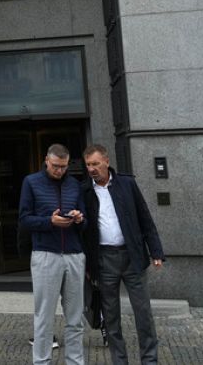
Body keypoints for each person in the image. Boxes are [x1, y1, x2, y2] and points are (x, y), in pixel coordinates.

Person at [80, 145, 165, 365]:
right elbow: (84, 231)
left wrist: (156, 251)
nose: (92, 169)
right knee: (110, 316)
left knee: (143, 312)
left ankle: (150, 360)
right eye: (88, 165)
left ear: (106, 162)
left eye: (96, 164)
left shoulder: (127, 184)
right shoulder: (84, 191)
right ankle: (120, 361)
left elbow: (145, 217)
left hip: (132, 256)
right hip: (103, 259)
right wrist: (88, 265)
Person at [19, 143, 87, 365]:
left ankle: (75, 362)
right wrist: (50, 221)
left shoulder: (75, 184)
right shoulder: (31, 182)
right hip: (45, 255)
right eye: (56, 166)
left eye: (64, 166)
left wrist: (79, 218)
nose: (60, 170)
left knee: (75, 319)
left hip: (74, 254)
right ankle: (41, 362)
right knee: (44, 318)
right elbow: (24, 220)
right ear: (46, 160)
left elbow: (86, 222)